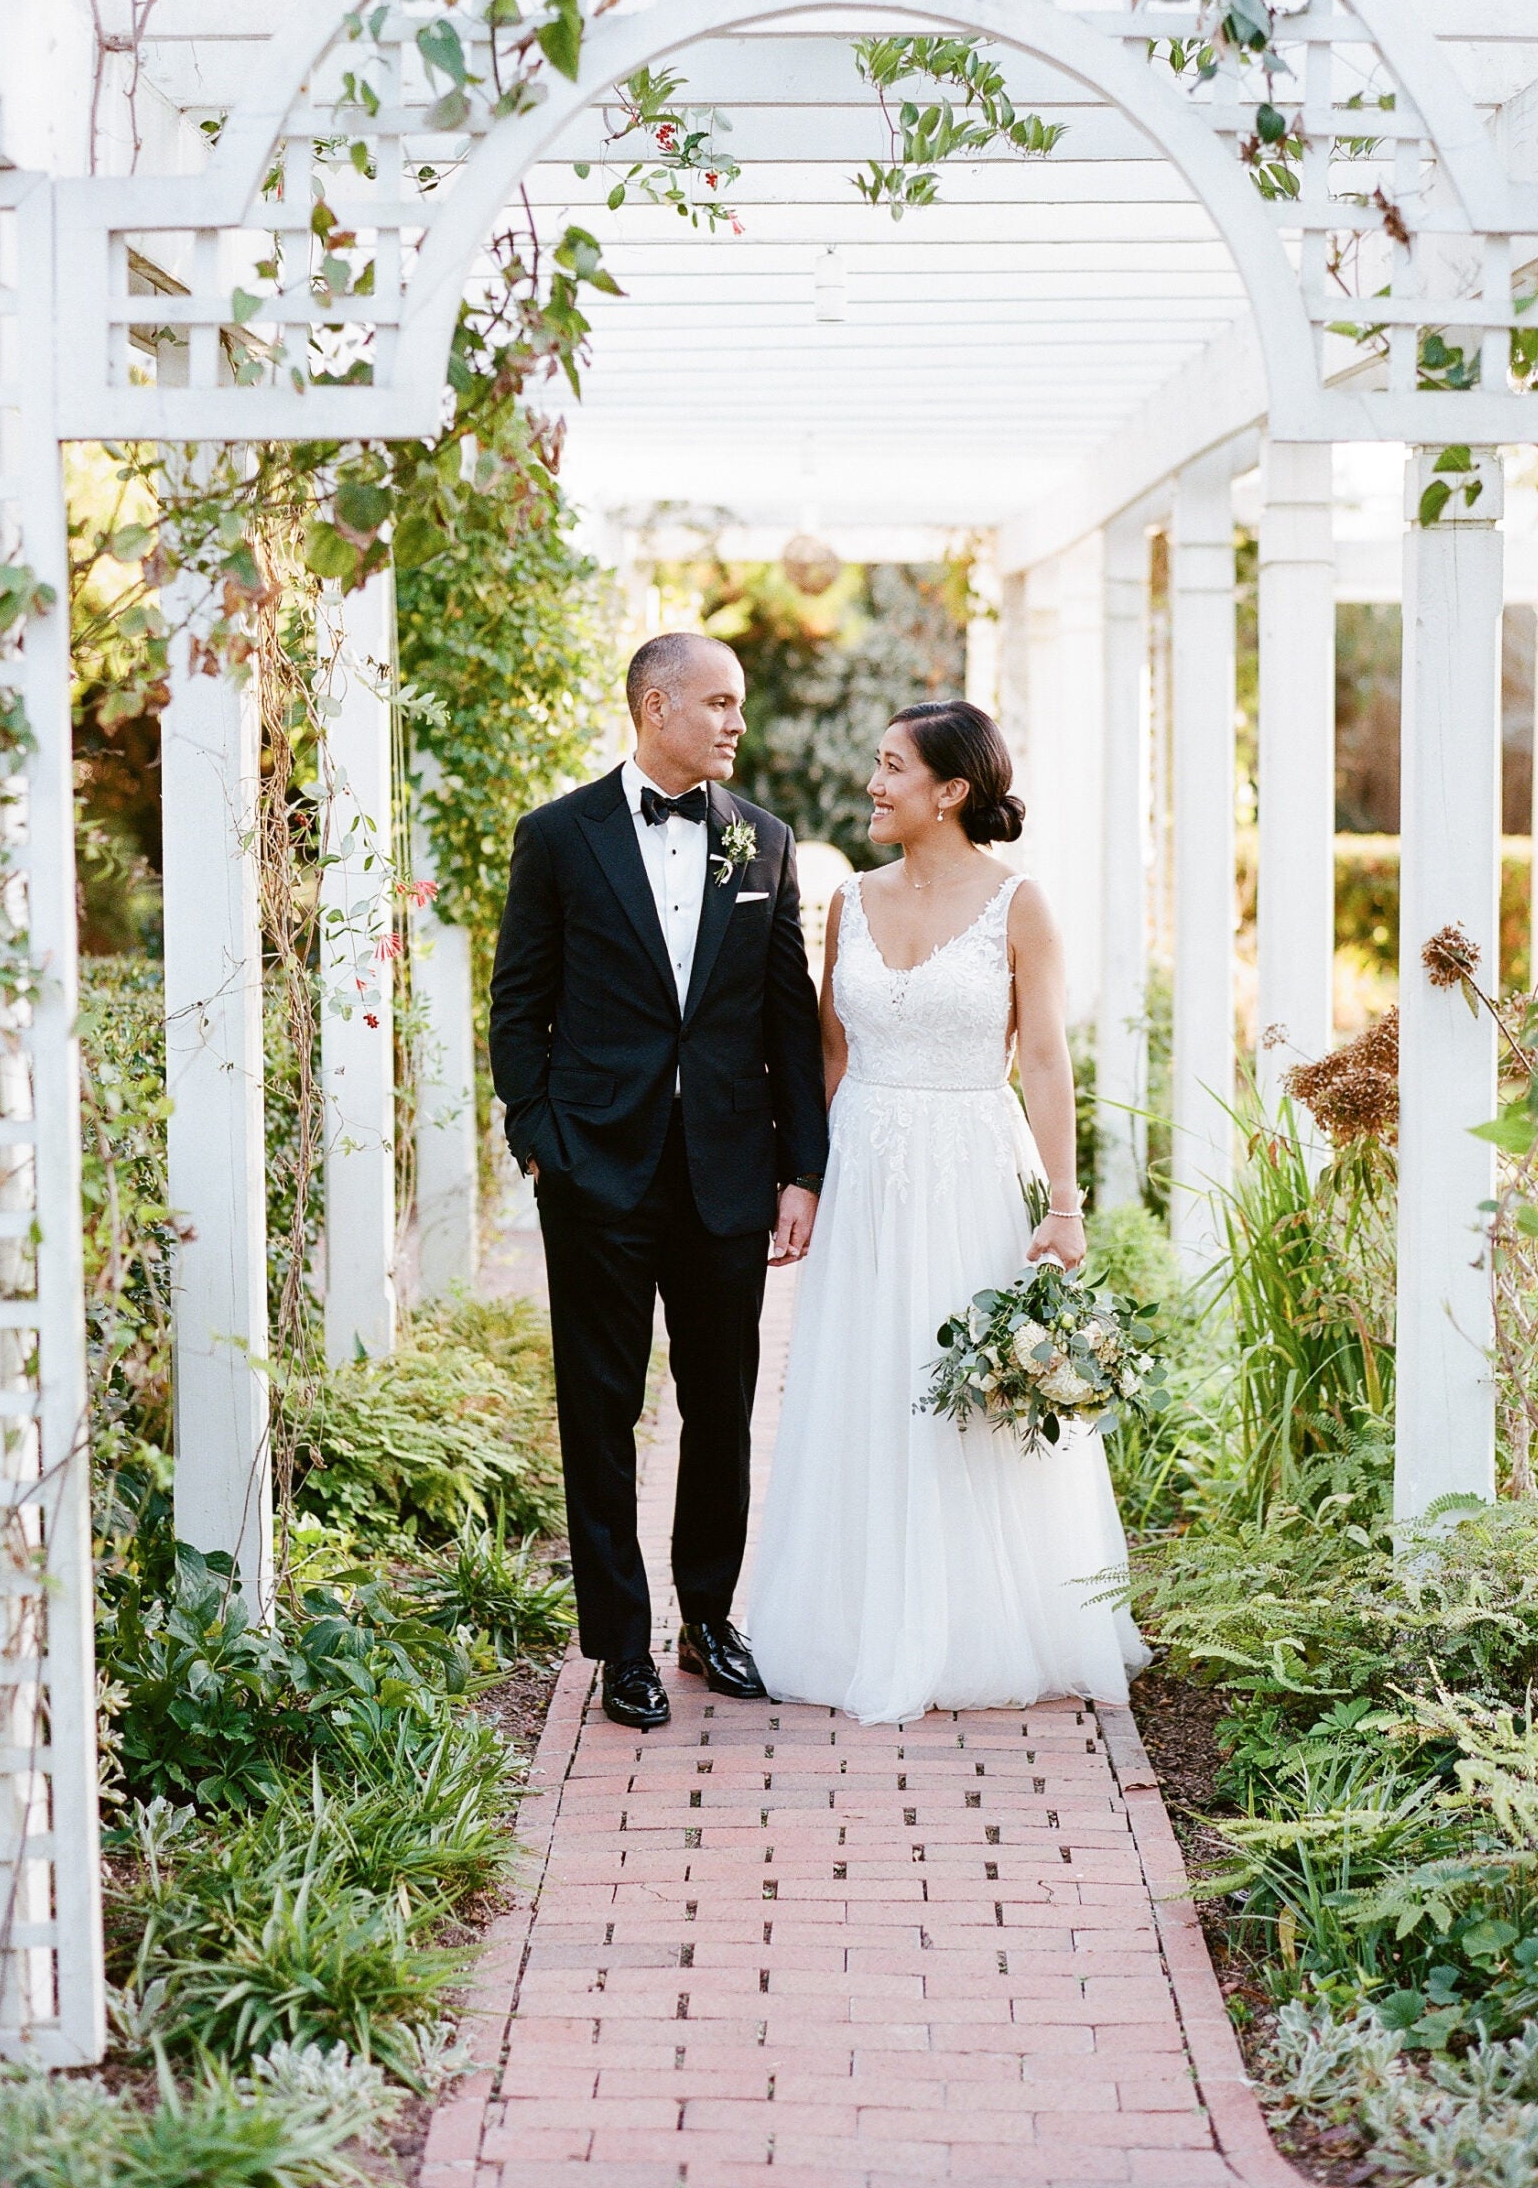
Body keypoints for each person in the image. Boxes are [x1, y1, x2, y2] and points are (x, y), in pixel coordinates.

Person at [746, 699, 1148, 1724]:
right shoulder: (850, 902)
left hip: (974, 1162)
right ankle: (853, 1618)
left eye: (892, 767)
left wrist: (1066, 1207)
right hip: (869, 1174)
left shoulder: (1021, 904)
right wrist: (809, 1179)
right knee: (864, 1381)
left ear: (951, 790)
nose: (873, 783)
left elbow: (1047, 1060)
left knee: (974, 1396)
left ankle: (979, 1622)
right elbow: (833, 1055)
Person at [490, 633, 828, 1731]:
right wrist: (543, 1139)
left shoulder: (764, 844)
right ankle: (620, 1646)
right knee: (600, 1407)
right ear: (655, 705)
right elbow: (517, 1004)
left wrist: (801, 1171)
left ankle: (709, 1620)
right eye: (720, 703)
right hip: (597, 1175)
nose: (737, 722)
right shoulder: (557, 837)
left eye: (740, 704)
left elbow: (788, 1019)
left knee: (722, 1406)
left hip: (729, 1175)